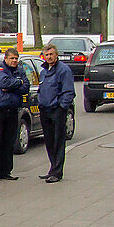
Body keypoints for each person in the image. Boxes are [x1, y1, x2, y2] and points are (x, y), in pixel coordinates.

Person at [0, 47, 30, 181]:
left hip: (12, 109)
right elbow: (3, 82)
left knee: (9, 141)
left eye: (16, 59)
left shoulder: (20, 70)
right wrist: (18, 83)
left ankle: (6, 171)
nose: (14, 61)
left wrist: (15, 85)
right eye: (12, 58)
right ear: (5, 59)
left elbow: (26, 87)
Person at [37, 44, 76, 183]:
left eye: (51, 54)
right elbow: (42, 89)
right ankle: (52, 168)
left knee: (58, 141)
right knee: (48, 141)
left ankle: (57, 172)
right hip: (45, 109)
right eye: (46, 55)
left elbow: (69, 91)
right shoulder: (44, 71)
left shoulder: (63, 70)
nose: (49, 57)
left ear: (56, 55)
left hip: (57, 110)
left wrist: (62, 107)